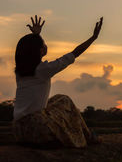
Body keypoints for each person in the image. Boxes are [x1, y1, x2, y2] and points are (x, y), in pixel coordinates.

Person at [12, 15, 103, 148]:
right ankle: (87, 136)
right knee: (65, 100)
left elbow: (29, 49)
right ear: (40, 50)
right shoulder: (43, 70)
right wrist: (93, 38)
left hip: (18, 129)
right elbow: (74, 54)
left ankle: (85, 136)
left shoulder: (20, 72)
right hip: (36, 126)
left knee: (57, 100)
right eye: (43, 43)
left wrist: (36, 36)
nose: (45, 44)